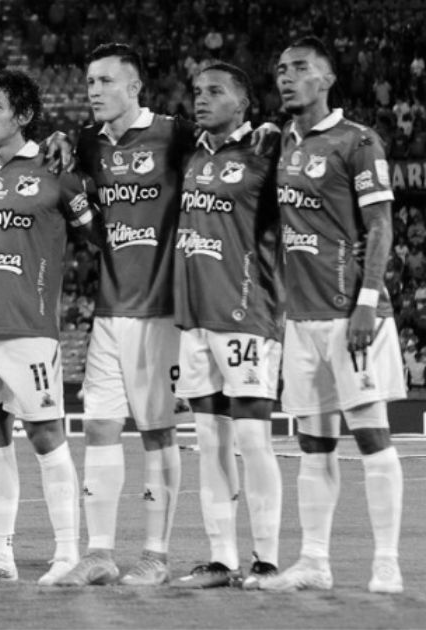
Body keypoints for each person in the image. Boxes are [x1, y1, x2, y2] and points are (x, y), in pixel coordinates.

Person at [258, 37, 405, 594]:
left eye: (300, 68)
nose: (286, 77)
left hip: (351, 317)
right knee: (314, 444)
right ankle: (314, 562)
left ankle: (386, 563)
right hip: (301, 320)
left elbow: (381, 226)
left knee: (371, 437)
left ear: (327, 79)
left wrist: (366, 303)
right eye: (281, 69)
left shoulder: (358, 142)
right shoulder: (283, 142)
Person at [0, 69, 94, 586]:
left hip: (30, 329)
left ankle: (67, 554)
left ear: (24, 115)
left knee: (45, 434)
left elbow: (98, 237)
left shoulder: (56, 170)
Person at [59, 43, 195, 587]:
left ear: (134, 87)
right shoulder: (88, 143)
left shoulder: (175, 134)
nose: (94, 90)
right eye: (90, 81)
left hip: (159, 310)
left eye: (106, 81)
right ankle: (99, 554)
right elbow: (92, 221)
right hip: (109, 307)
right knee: (100, 425)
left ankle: (156, 556)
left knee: (158, 432)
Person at [167, 63, 284, 589]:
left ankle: (267, 560)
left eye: (215, 91)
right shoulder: (192, 154)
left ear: (244, 103)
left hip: (246, 316)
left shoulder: (265, 152)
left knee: (254, 441)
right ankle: (222, 559)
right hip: (195, 319)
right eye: (197, 91)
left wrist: (281, 134)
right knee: (210, 442)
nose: (201, 99)